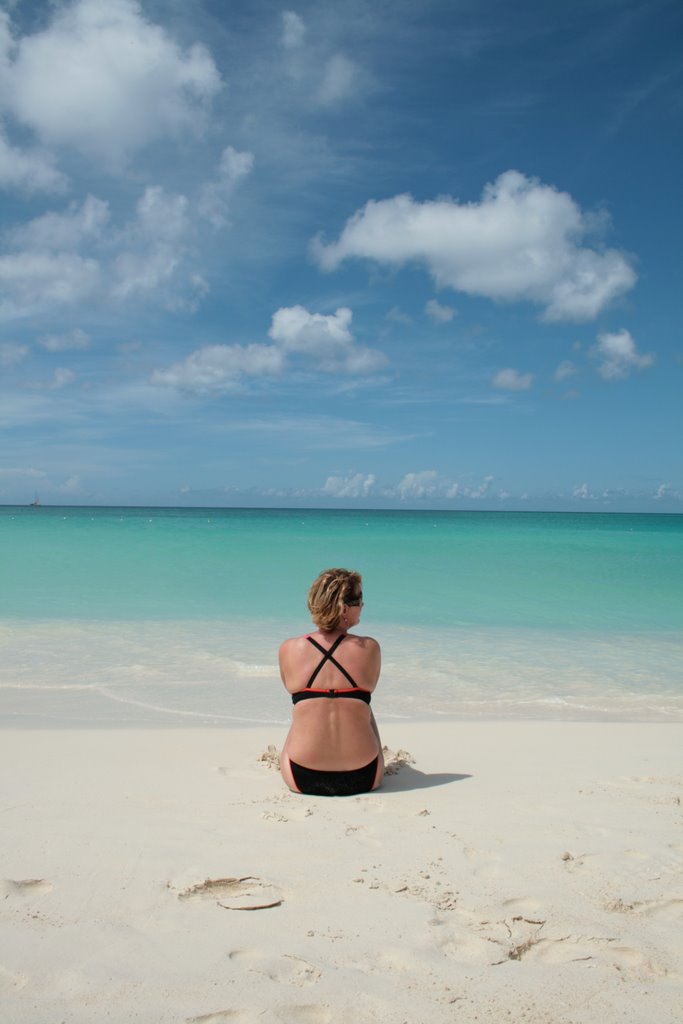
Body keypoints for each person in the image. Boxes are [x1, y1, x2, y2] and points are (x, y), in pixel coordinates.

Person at [279, 568, 384, 796]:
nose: (363, 606)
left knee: (304, 705)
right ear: (344, 608)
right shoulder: (370, 648)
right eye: (359, 600)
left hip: (302, 777)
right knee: (362, 705)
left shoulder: (289, 649)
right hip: (365, 776)